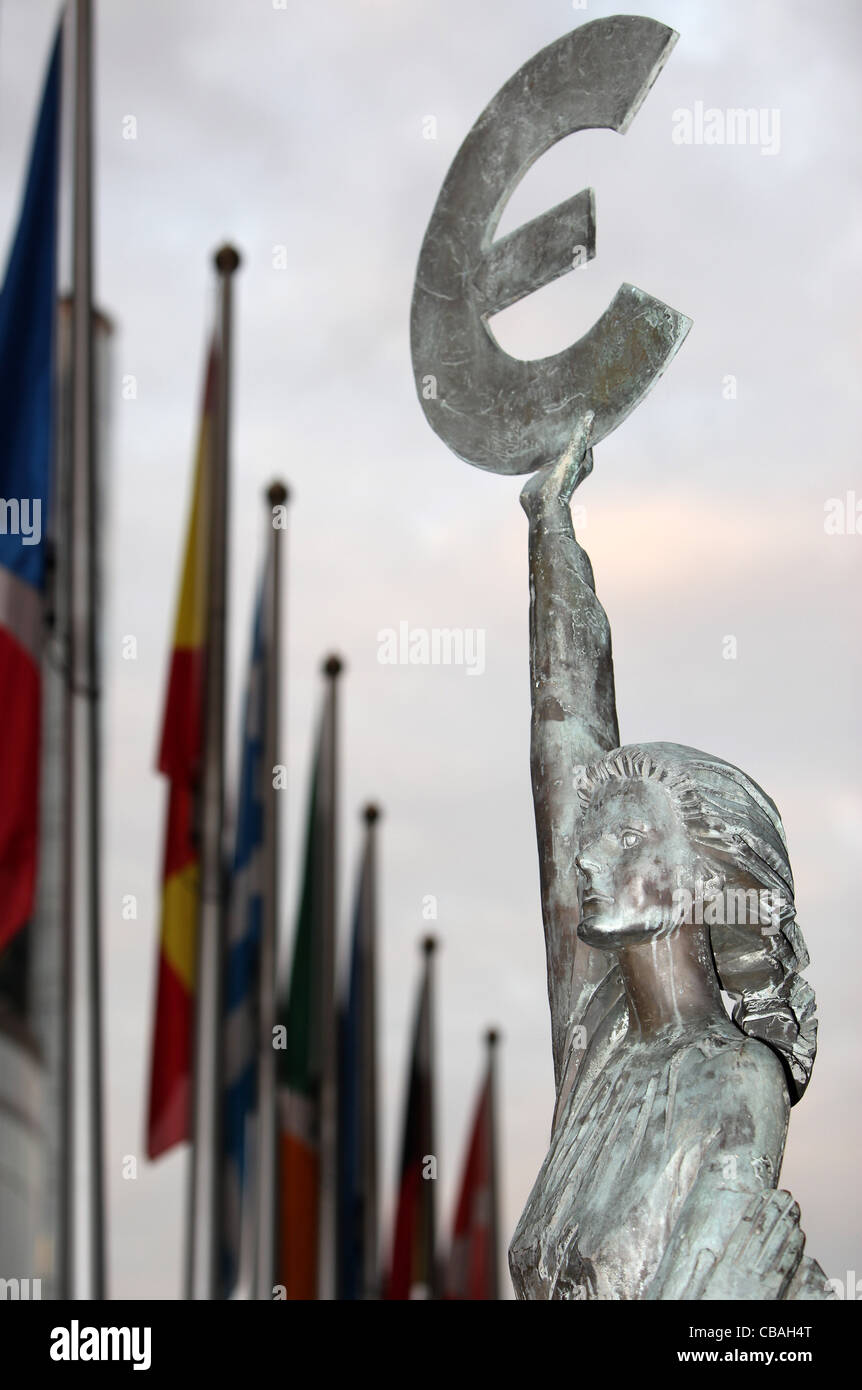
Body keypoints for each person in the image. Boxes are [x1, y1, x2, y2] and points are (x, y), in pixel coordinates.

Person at [508, 415, 830, 1300]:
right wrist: (550, 535)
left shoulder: (736, 1081)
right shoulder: (600, 1046)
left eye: (626, 835)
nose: (587, 855)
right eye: (590, 831)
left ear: (695, 879)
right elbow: (564, 738)